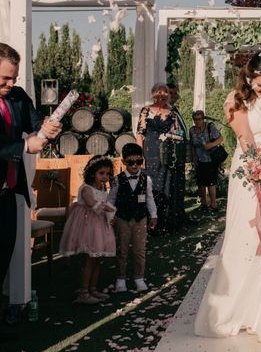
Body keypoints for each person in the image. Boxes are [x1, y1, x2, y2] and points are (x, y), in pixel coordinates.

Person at [195, 51, 261, 350]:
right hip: (250, 170)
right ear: (249, 78)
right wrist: (260, 168)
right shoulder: (236, 100)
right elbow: (245, 138)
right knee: (248, 239)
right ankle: (241, 311)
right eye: (260, 86)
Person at [0, 43, 61, 298]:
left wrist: (49, 129)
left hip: (7, 195)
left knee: (3, 258)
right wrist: (26, 144)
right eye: (4, 78)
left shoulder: (18, 96)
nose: (11, 83)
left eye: (13, 77)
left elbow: (37, 125)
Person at [59, 155, 117, 304]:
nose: (105, 177)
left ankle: (93, 289)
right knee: (90, 260)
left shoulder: (103, 188)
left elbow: (103, 206)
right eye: (101, 173)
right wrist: (107, 207)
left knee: (97, 259)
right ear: (92, 173)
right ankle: (84, 292)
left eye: (108, 174)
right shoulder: (86, 188)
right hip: (87, 226)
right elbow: (92, 203)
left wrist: (110, 214)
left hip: (99, 225)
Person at [107, 143, 158, 293]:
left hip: (140, 218)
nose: (135, 165)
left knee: (139, 250)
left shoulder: (146, 179)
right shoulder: (117, 180)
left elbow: (149, 198)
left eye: (139, 162)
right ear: (124, 162)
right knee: (122, 250)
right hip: (122, 218)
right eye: (131, 162)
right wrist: (110, 217)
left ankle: (139, 277)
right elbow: (111, 199)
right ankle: (120, 278)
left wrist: (153, 215)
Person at [136, 83, 182, 234]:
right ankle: (149, 222)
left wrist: (171, 138)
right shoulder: (146, 110)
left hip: (166, 154)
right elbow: (139, 134)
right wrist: (140, 156)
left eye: (165, 92)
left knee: (166, 186)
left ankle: (163, 223)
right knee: (151, 187)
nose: (162, 94)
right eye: (158, 91)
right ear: (153, 94)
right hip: (149, 152)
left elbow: (177, 134)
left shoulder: (172, 112)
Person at [189, 110, 224, 211]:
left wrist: (211, 145)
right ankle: (203, 204)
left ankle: (213, 204)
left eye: (199, 119)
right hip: (199, 159)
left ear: (203, 119)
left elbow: (220, 138)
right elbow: (192, 145)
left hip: (211, 158)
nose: (197, 121)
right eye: (195, 120)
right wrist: (193, 157)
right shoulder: (192, 130)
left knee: (211, 182)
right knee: (201, 183)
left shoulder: (210, 127)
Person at [167, 83, 190, 225]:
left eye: (175, 94)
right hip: (172, 153)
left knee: (180, 185)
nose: (174, 97)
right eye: (171, 94)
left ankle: (180, 214)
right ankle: (174, 217)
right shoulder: (165, 112)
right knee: (173, 186)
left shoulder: (175, 110)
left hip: (180, 153)